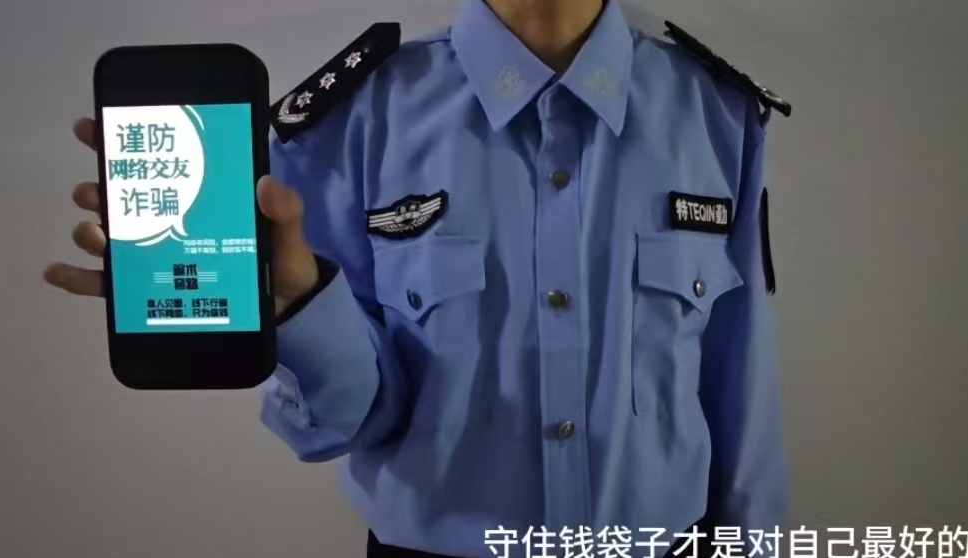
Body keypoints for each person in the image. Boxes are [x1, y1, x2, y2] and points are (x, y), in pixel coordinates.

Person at [45, 0, 790, 556]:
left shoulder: (715, 114)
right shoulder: (352, 120)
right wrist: (297, 307)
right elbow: (345, 422)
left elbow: (742, 386)